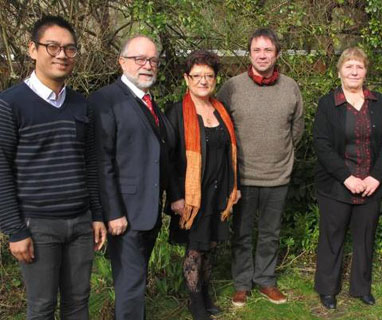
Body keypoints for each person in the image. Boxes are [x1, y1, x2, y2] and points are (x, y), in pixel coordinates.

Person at [0, 15, 106, 319]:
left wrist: (97, 214)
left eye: (70, 49)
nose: (62, 55)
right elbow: (1, 169)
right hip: (38, 226)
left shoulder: (79, 104)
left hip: (80, 224)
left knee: (78, 304)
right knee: (42, 307)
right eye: (53, 46)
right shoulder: (10, 103)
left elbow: (89, 163)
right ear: (33, 49)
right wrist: (15, 230)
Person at [217, 28, 304, 307]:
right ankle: (242, 283)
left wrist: (282, 154)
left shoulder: (290, 87)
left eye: (268, 50)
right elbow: (219, 125)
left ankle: (265, 280)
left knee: (270, 233)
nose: (262, 55)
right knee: (241, 233)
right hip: (241, 176)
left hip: (277, 175)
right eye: (257, 50)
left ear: (277, 54)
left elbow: (297, 127)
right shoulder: (232, 87)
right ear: (249, 53)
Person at [88, 35, 173, 319]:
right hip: (124, 214)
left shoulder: (149, 101)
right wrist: (112, 212)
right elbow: (102, 161)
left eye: (153, 60)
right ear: (122, 62)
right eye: (140, 59)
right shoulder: (105, 100)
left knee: (133, 284)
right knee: (130, 287)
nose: (147, 65)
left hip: (148, 212)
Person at [312, 47, 382, 309]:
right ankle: (328, 289)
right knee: (332, 238)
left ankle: (361, 289)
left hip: (370, 185)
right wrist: (347, 177)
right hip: (337, 185)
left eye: (359, 66)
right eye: (349, 66)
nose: (354, 71)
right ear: (339, 72)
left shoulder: (377, 102)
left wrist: (376, 177)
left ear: (365, 71)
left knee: (364, 239)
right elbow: (321, 144)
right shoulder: (328, 104)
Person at [165, 49, 240, 320]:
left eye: (209, 75)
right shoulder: (176, 112)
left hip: (219, 192)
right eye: (197, 76)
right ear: (187, 78)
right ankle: (196, 304)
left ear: (215, 79)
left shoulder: (221, 110)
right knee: (195, 249)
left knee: (211, 247)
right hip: (192, 196)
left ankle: (206, 296)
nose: (203, 81)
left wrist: (235, 186)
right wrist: (175, 196)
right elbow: (169, 160)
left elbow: (231, 152)